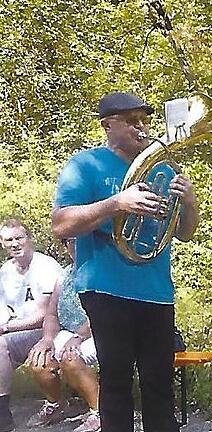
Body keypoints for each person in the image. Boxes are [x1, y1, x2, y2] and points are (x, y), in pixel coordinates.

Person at [51, 91, 200, 432]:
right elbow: (61, 223)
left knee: (159, 383)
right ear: (107, 124)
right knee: (117, 381)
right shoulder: (85, 165)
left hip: (156, 289)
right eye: (132, 121)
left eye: (145, 120)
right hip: (106, 286)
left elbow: (185, 233)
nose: (142, 127)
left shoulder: (161, 168)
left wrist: (189, 203)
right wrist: (116, 203)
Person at [25, 237, 100, 432]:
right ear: (66, 246)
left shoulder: (103, 271)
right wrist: (47, 339)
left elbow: (104, 311)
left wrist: (79, 337)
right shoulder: (64, 275)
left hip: (100, 332)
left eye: (80, 240)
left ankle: (100, 412)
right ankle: (56, 404)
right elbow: (51, 313)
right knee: (39, 360)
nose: (75, 246)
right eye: (70, 242)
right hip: (68, 333)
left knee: (71, 359)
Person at [0, 219, 61, 432]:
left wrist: (7, 328)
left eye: (19, 238)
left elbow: (45, 314)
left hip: (46, 330)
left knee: (1, 344)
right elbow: (3, 310)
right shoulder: (5, 271)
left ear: (29, 239)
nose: (15, 244)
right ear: (2, 243)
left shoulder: (45, 266)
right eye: (9, 240)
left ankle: (2, 415)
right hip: (17, 330)